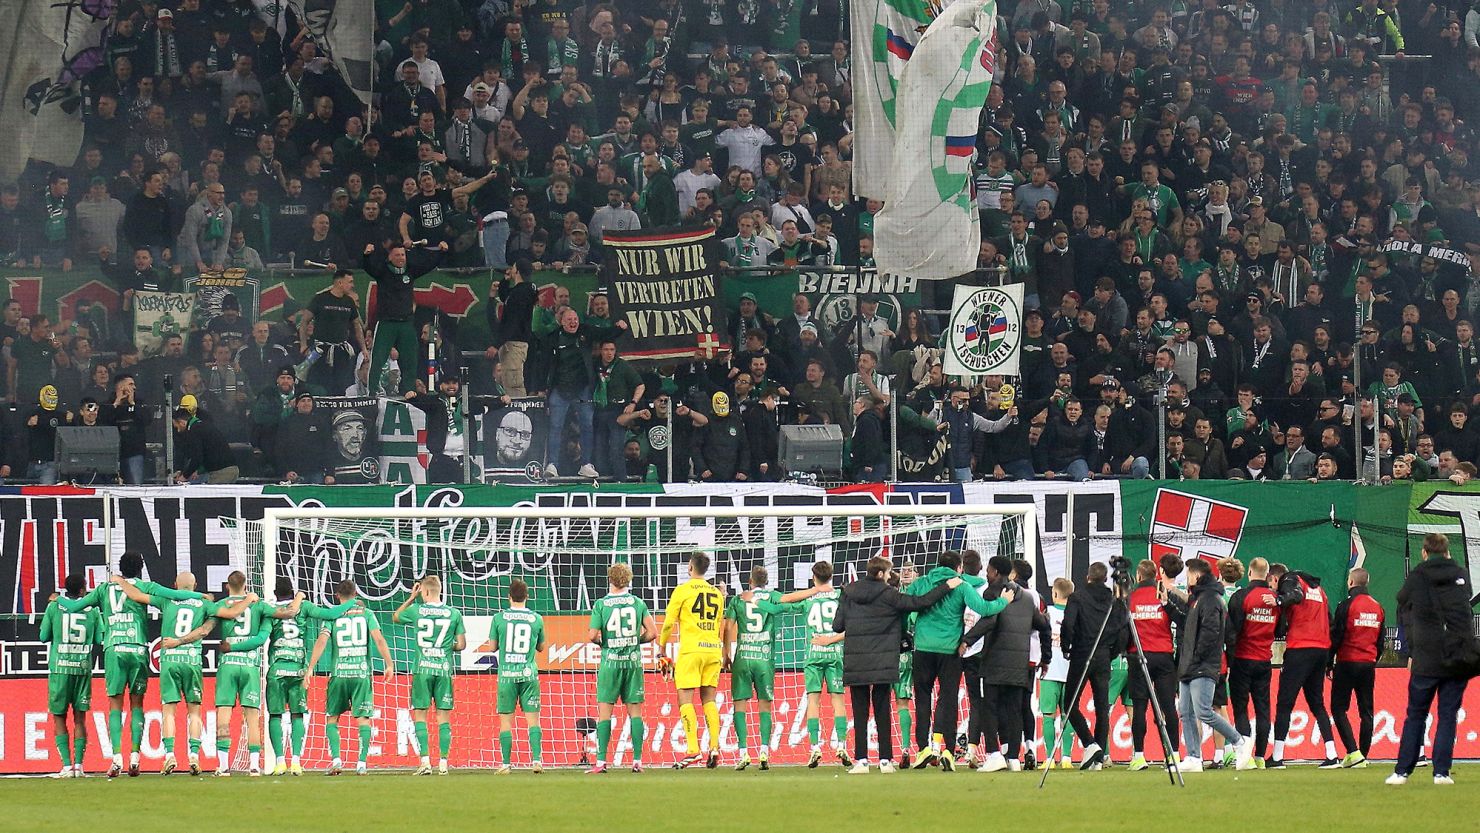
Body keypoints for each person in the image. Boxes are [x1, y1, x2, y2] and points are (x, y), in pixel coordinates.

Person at [54, 553, 207, 777]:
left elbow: (75, 607)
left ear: (120, 568)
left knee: (115, 705)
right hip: (137, 648)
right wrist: (197, 595)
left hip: (114, 649)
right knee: (137, 704)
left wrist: (58, 599)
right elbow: (173, 594)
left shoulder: (105, 588)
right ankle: (135, 758)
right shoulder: (146, 585)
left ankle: (117, 758)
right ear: (141, 568)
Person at [109, 573, 254, 776]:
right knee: (194, 711)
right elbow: (230, 614)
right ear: (196, 585)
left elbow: (136, 596)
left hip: (170, 660)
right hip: (192, 660)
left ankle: (169, 756)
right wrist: (248, 599)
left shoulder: (167, 600)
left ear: (175, 584)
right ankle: (194, 756)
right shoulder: (203, 603)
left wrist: (121, 581)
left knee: (168, 711)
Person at [831, 556, 958, 774]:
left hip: (857, 660)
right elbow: (920, 603)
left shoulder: (848, 593)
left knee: (860, 712)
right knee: (882, 710)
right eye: (889, 573)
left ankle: (861, 760)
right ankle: (885, 761)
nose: (891, 577)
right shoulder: (889, 595)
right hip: (883, 659)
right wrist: (947, 586)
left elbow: (837, 625)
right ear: (880, 574)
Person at [904, 550, 1011, 769]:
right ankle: (948, 751)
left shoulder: (922, 582)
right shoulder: (961, 586)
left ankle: (923, 748)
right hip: (949, 650)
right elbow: (984, 609)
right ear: (958, 568)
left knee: (923, 699)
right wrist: (1003, 601)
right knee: (948, 698)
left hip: (922, 648)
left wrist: (906, 632)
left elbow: (906, 606)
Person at [1387, 533, 1478, 785]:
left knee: (1416, 714)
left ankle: (1402, 771)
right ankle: (1441, 772)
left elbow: (1402, 599)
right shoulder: (1461, 574)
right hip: (1458, 656)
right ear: (1447, 552)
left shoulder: (1418, 576)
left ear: (1424, 552)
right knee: (1447, 714)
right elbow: (1464, 600)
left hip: (1427, 656)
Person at [960, 556, 1050, 772]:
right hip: (1020, 664)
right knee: (1014, 710)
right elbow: (1044, 626)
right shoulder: (1028, 599)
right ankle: (1013, 758)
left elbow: (989, 621)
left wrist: (966, 640)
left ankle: (994, 754)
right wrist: (1046, 658)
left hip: (994, 662)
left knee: (989, 706)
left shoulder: (992, 592)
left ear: (997, 573)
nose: (987, 575)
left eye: (989, 571)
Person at [725, 566, 818, 770]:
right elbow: (792, 598)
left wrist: (726, 653)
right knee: (764, 706)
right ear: (766, 582)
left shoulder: (739, 598)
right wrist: (815, 590)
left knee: (739, 704)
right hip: (764, 659)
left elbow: (728, 627)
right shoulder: (772, 596)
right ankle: (764, 751)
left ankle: (743, 753)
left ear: (750, 581)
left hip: (743, 657)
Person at [306, 580, 396, 775]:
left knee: (332, 718)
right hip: (361, 674)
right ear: (356, 594)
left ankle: (337, 761)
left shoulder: (332, 615)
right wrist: (389, 663)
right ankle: (361, 764)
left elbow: (321, 641)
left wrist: (310, 667)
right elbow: (379, 639)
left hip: (339, 674)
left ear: (337, 596)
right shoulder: (367, 613)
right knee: (363, 719)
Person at [265, 577, 353, 776]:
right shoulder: (304, 607)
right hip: (298, 670)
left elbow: (262, 636)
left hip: (277, 670)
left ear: (275, 593)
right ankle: (296, 761)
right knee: (297, 715)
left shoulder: (270, 610)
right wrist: (352, 602)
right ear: (293, 591)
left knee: (275, 715)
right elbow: (330, 613)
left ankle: (280, 762)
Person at [1173, 557, 1251, 772]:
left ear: (1197, 576)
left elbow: (1210, 632)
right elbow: (1186, 623)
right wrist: (1166, 604)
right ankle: (1193, 757)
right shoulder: (1198, 598)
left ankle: (1239, 742)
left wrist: (1196, 657)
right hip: (1190, 664)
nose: (1186, 578)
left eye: (1188, 574)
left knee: (1204, 712)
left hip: (1202, 664)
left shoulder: (1210, 599)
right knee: (1186, 713)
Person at [584, 563, 657, 774]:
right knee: (635, 714)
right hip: (632, 663)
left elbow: (591, 635)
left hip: (610, 663)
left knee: (605, 713)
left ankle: (600, 763)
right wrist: (635, 641)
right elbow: (652, 633)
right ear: (629, 580)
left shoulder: (601, 604)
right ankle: (637, 762)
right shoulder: (638, 603)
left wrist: (604, 644)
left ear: (610, 579)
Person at [393, 575, 467, 775]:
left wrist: (411, 597)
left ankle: (425, 762)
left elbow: (396, 617)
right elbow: (461, 645)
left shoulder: (417, 610)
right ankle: (443, 763)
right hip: (443, 670)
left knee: (420, 715)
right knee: (443, 717)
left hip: (422, 670)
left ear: (424, 592)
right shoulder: (453, 613)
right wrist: (444, 647)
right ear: (439, 591)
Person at [658, 552, 726, 769]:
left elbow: (668, 623)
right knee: (709, 700)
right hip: (713, 651)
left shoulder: (683, 590)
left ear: (690, 567)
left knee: (685, 699)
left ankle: (693, 750)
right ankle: (714, 747)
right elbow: (718, 624)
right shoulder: (717, 594)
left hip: (691, 651)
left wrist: (661, 649)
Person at [1270, 561, 1340, 768]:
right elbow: (1330, 621)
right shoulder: (1320, 590)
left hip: (1300, 648)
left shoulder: (1290, 580)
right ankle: (1332, 754)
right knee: (1317, 702)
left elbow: (1295, 595)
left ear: (1275, 579)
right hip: (1321, 649)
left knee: (1285, 703)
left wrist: (1279, 600)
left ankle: (1277, 757)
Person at [1061, 561, 1127, 769]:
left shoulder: (1077, 597)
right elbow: (1122, 629)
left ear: (1087, 577)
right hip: (1104, 655)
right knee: (1102, 708)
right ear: (1106, 578)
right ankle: (1097, 758)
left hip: (1082, 653)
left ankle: (1090, 744)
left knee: (1070, 703)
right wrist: (1112, 651)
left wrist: (1066, 647)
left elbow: (1068, 624)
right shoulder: (1114, 600)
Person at [478, 578, 547, 774]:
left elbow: (492, 647)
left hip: (507, 675)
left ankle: (506, 764)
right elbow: (541, 647)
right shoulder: (536, 618)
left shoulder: (499, 618)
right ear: (527, 596)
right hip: (529, 674)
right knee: (533, 720)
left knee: (506, 721)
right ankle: (536, 761)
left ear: (508, 597)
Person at [362, 240, 448, 397]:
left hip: (406, 323)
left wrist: (441, 253)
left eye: (403, 254)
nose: (401, 257)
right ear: (390, 257)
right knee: (379, 358)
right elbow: (368, 267)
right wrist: (367, 255)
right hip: (387, 323)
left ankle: (409, 390)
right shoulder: (383, 271)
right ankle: (373, 391)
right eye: (397, 255)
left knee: (410, 358)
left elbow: (428, 265)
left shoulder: (410, 271)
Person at [40, 573, 101, 778]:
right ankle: (79, 767)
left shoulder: (54, 607)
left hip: (60, 668)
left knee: (59, 717)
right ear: (83, 590)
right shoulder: (92, 610)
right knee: (80, 718)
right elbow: (100, 638)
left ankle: (66, 766)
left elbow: (42, 637)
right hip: (82, 668)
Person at [1125, 559, 1182, 770]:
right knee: (1168, 706)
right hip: (1164, 656)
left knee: (1140, 707)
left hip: (1139, 656)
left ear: (1139, 576)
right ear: (1156, 574)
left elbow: (1124, 628)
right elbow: (1180, 620)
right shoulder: (1165, 594)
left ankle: (1139, 756)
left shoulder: (1130, 597)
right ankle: (1174, 756)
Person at [797, 561, 852, 768]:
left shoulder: (808, 598)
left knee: (813, 700)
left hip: (813, 654)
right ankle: (842, 745)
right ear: (831, 577)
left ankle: (814, 747)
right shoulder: (840, 595)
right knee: (838, 700)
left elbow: (784, 605)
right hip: (836, 653)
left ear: (814, 578)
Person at [1226, 556, 1278, 768]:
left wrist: (1229, 660)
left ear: (1249, 573)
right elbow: (1281, 628)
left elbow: (1232, 632)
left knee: (1241, 708)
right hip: (1264, 659)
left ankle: (1244, 755)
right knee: (1263, 709)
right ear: (1267, 575)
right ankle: (1260, 757)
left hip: (1242, 659)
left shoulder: (1241, 597)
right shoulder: (1274, 599)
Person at [1330, 567, 1384, 769]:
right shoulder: (1377, 607)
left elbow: (1337, 636)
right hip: (1368, 664)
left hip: (1347, 662)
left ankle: (1353, 752)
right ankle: (1363, 753)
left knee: (1338, 708)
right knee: (1366, 711)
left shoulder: (1346, 605)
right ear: (1367, 583)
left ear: (1351, 583)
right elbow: (1381, 641)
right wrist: (1372, 658)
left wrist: (1329, 662)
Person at [408, 373, 488, 483]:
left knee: (465, 493)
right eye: (447, 383)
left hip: (463, 458)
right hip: (440, 459)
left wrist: (501, 400)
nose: (451, 386)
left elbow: (486, 403)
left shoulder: (467, 402)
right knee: (437, 492)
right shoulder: (435, 402)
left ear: (459, 385)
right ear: (440, 386)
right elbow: (420, 400)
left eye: (454, 383)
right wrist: (413, 396)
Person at [301, 269, 365, 395]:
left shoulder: (349, 302)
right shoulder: (320, 299)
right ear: (340, 283)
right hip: (319, 349)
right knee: (318, 382)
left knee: (341, 383)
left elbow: (357, 326)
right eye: (350, 282)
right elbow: (304, 322)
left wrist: (364, 348)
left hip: (341, 351)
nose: (352, 285)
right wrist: (303, 344)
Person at [1040, 577, 1076, 768]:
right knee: (1068, 714)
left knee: (1048, 716)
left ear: (1054, 593)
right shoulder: (1076, 615)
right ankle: (1068, 758)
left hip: (1049, 672)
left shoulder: (1047, 613)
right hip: (1070, 673)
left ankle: (1049, 759)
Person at [172, 406, 238, 483]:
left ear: (182, 422)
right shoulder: (203, 426)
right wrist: (197, 470)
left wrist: (184, 477)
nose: (178, 430)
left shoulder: (194, 430)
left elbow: (197, 457)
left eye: (177, 427)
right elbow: (208, 452)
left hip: (220, 472)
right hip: (232, 469)